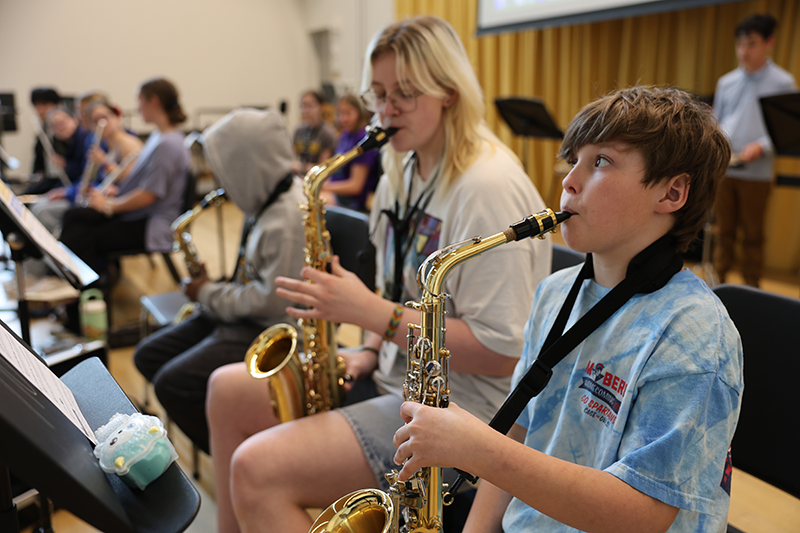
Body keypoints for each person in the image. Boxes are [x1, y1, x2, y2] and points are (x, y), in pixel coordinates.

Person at [206, 15, 552, 533]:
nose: (386, 110)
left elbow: (504, 353)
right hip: (397, 373)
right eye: (378, 94)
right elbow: (402, 290)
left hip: (463, 410)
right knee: (225, 389)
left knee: (256, 471)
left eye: (404, 94)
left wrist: (371, 313)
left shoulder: (487, 188)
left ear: (449, 93)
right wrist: (369, 346)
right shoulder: (401, 169)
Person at [393, 86, 744, 533]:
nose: (568, 181)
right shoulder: (555, 292)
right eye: (572, 160)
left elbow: (643, 514)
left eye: (601, 162)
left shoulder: (694, 333)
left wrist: (478, 449)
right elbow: (520, 427)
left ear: (672, 192)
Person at [133, 108, 306, 453]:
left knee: (173, 384)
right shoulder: (266, 200)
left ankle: (241, 455)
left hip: (269, 329)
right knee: (147, 356)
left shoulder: (287, 221)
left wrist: (209, 292)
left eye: (227, 172)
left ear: (249, 167)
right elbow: (254, 281)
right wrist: (215, 288)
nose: (221, 183)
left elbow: (267, 304)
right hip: (246, 316)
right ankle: (229, 431)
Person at [59, 77, 190, 277]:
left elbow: (149, 195)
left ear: (154, 102)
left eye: (140, 101)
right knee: (75, 216)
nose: (138, 108)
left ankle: (86, 289)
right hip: (142, 215)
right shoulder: (160, 137)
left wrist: (109, 205)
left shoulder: (167, 144)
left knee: (82, 235)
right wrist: (117, 193)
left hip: (152, 224)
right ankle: (80, 286)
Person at [712, 13, 796, 287]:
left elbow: (787, 128)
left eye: (751, 44)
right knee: (722, 232)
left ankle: (751, 288)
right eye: (740, 44)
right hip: (726, 167)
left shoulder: (783, 82)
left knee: (753, 235)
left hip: (757, 173)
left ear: (769, 42)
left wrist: (761, 146)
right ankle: (717, 283)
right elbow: (719, 120)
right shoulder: (727, 82)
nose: (744, 51)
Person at [29, 100, 142, 235]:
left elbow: (132, 181)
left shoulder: (128, 144)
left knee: (58, 215)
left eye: (104, 117)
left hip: (116, 204)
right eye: (95, 121)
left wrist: (104, 162)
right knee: (41, 208)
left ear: (116, 116)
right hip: (98, 197)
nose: (102, 124)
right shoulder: (102, 144)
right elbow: (92, 178)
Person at [320, 93, 381, 212]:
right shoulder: (345, 135)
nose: (343, 119)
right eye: (340, 114)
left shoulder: (363, 140)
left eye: (348, 113)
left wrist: (327, 187)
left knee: (316, 203)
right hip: (336, 191)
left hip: (352, 200)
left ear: (360, 113)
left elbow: (355, 186)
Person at [291, 90, 338, 175]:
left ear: (321, 107)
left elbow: (322, 168)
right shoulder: (298, 131)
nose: (305, 110)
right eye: (302, 106)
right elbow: (291, 159)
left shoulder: (328, 133)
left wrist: (302, 167)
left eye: (309, 106)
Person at [28, 87, 62, 192]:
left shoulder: (63, 130)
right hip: (48, 179)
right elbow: (38, 159)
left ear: (57, 105)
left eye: (45, 105)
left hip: (60, 181)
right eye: (37, 106)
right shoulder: (43, 131)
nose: (40, 110)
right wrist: (38, 173)